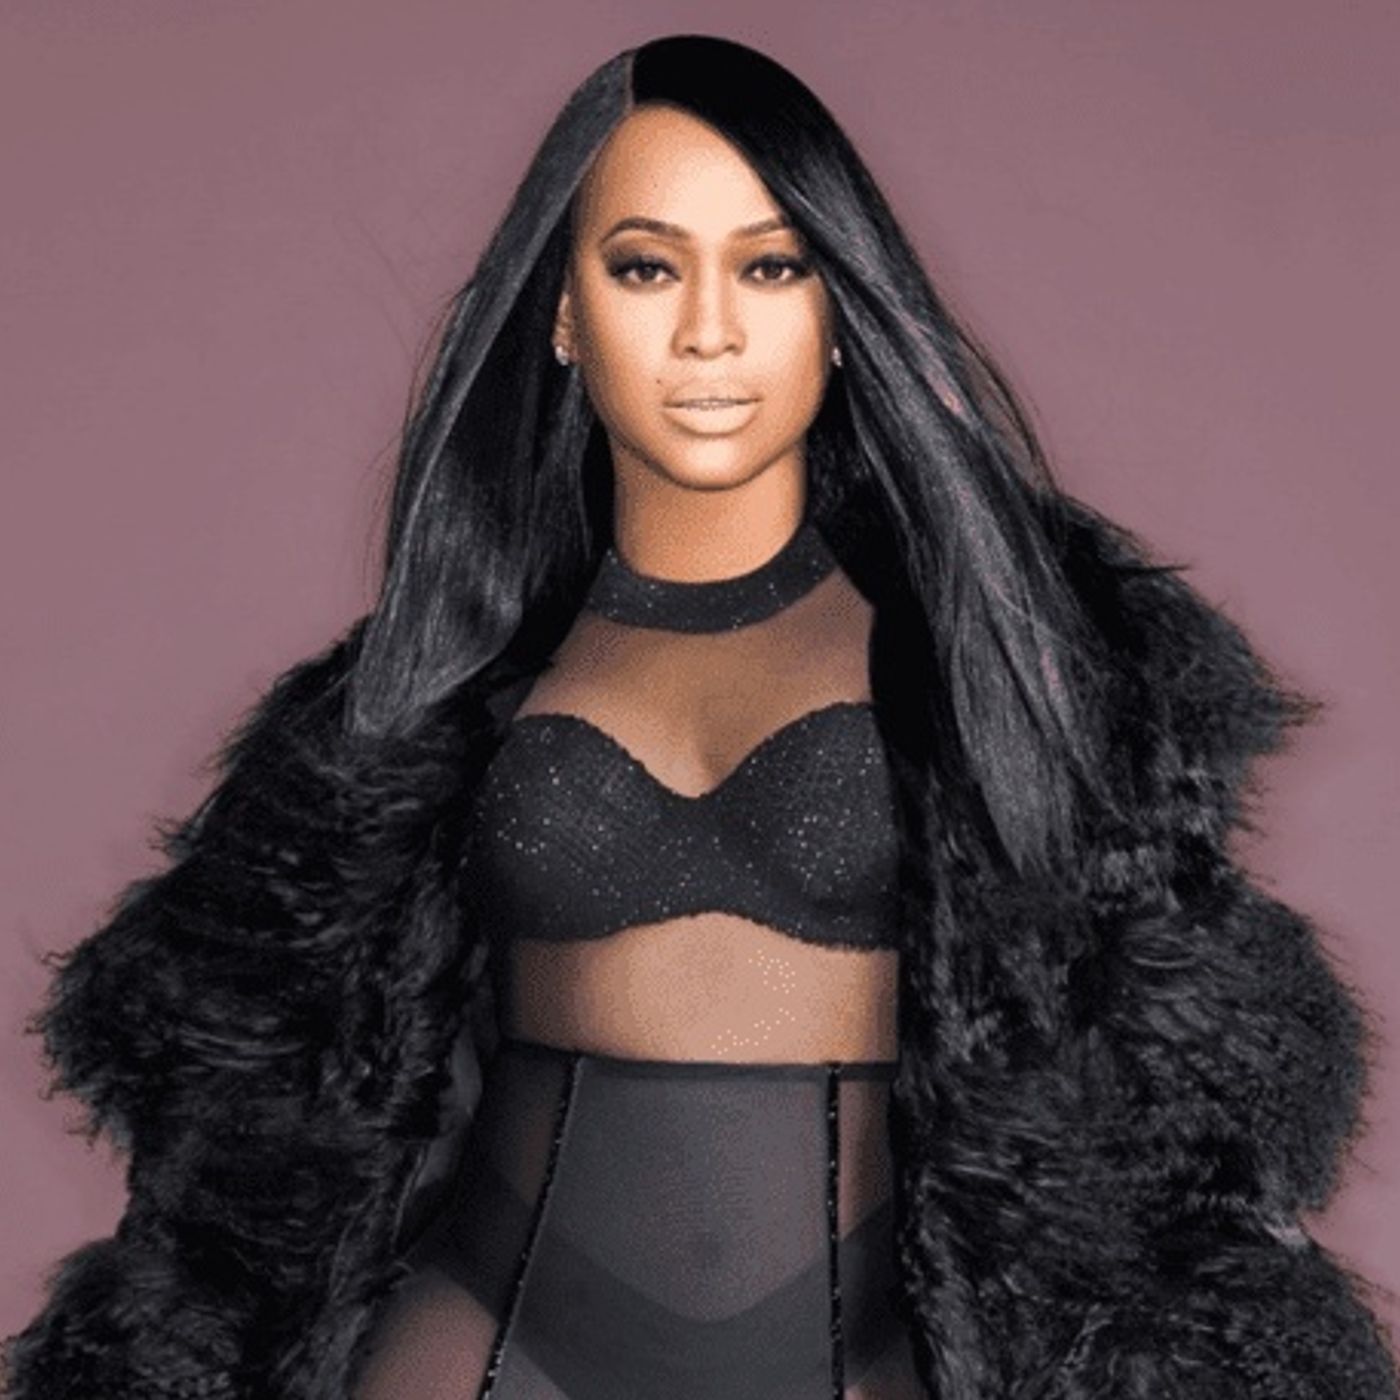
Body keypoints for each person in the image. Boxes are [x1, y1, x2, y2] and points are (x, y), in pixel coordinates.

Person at [3, 32, 1396, 1400]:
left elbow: (1160, 1127)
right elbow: (259, 1113)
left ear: (838, 310)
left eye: (771, 265)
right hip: (482, 1356)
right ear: (563, 313)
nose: (710, 330)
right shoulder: (416, 707)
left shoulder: (1016, 669)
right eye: (646, 266)